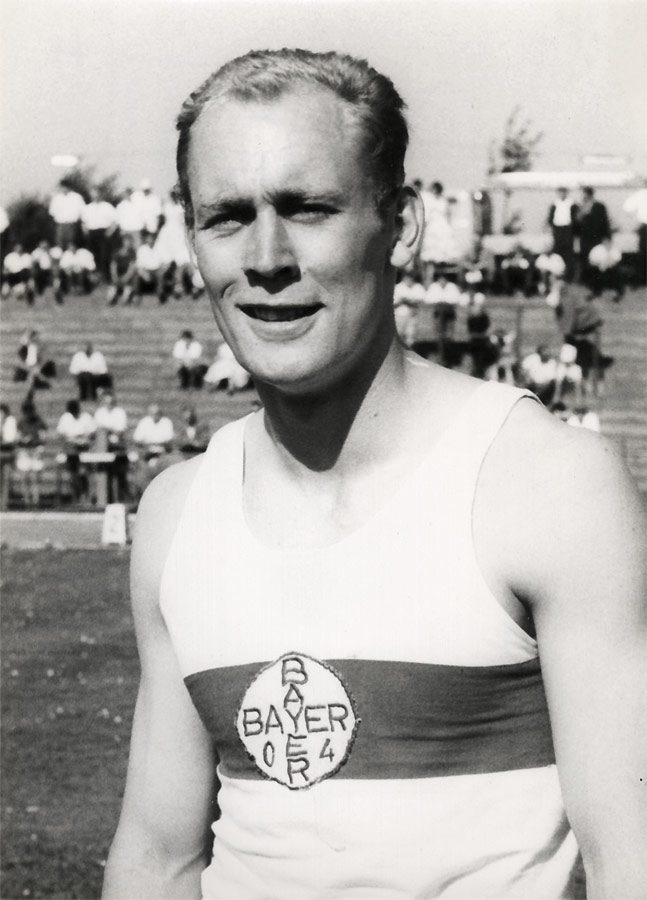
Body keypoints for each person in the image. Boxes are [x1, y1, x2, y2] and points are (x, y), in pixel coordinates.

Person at [103, 49, 645, 900]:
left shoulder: (547, 485)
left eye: (308, 207)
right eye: (227, 216)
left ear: (402, 221)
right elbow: (157, 858)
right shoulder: (177, 513)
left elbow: (631, 857)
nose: (266, 255)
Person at [56, 398, 97, 501]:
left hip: (84, 448)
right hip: (71, 449)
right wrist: (73, 440)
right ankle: (75, 496)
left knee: (83, 472)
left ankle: (85, 495)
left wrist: (83, 438)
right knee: (72, 474)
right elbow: (61, 435)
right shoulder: (65, 418)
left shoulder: (86, 417)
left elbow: (92, 434)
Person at [577, 186, 611, 287]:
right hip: (584, 238)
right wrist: (581, 213)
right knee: (586, 260)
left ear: (589, 194)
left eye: (583, 194)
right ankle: (588, 282)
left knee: (597, 259)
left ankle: (599, 282)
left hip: (597, 238)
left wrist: (607, 238)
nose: (582, 196)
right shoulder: (581, 207)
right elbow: (577, 223)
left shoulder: (600, 206)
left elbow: (605, 223)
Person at [82, 188, 116, 282]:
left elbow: (114, 222)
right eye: (93, 195)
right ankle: (96, 278)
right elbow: (84, 222)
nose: (95, 197)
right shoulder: (88, 207)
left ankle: (106, 277)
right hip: (92, 233)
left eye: (96, 195)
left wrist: (109, 233)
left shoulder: (107, 206)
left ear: (100, 195)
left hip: (103, 233)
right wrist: (86, 232)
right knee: (93, 256)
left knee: (105, 255)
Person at [546, 187, 578, 281]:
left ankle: (568, 276)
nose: (562, 194)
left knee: (568, 253)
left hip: (568, 230)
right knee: (557, 252)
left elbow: (575, 219)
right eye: (560, 192)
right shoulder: (555, 204)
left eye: (563, 192)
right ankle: (557, 274)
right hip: (557, 230)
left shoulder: (572, 204)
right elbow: (550, 218)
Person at [48, 179, 85, 247]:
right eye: (62, 187)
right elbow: (52, 213)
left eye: (65, 187)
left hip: (72, 225)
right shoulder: (56, 198)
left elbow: (82, 212)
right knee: (59, 244)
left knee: (71, 245)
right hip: (60, 225)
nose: (64, 189)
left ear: (69, 187)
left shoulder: (77, 197)